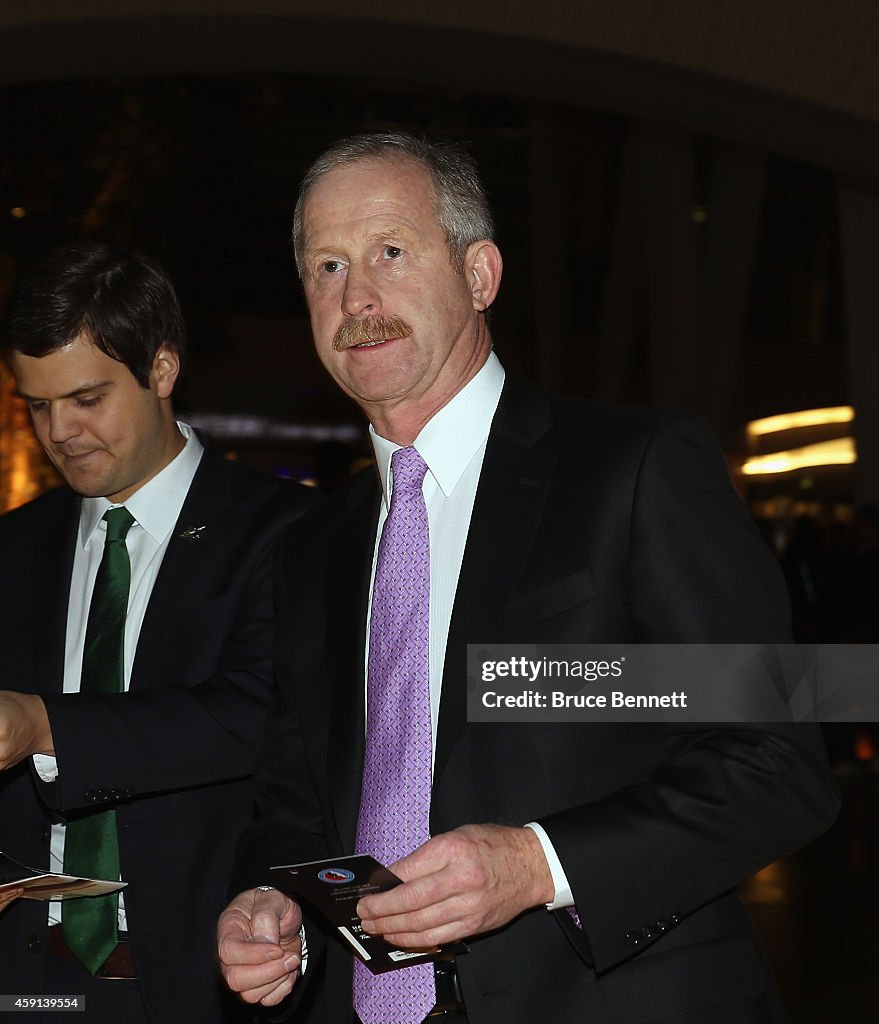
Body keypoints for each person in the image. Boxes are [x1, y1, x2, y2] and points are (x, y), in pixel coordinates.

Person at [217, 133, 839, 1024]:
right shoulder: (313, 545)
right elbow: (295, 804)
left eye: (390, 252)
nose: (357, 297)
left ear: (480, 274)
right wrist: (273, 901)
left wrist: (539, 865)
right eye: (326, 265)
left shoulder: (633, 472)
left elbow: (775, 763)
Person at [0, 242, 315, 1023]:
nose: (59, 430)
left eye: (85, 398)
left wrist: (42, 724)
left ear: (163, 370)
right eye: (36, 405)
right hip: (33, 983)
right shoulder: (12, 547)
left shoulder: (286, 532)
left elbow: (257, 714)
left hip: (204, 973)